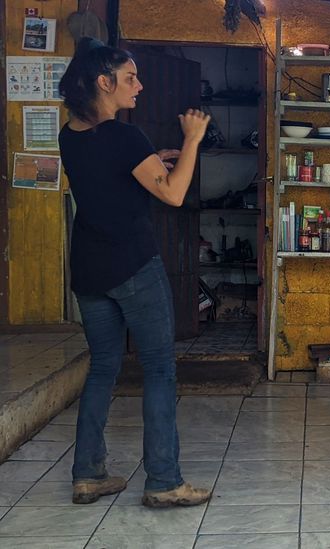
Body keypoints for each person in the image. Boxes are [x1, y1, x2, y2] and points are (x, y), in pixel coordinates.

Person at [58, 38, 212, 506]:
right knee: (160, 368)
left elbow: (116, 175)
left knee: (103, 367)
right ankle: (164, 481)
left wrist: (153, 161)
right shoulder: (126, 137)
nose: (139, 86)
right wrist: (191, 141)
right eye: (129, 78)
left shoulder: (71, 132)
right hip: (132, 266)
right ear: (104, 83)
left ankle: (88, 474)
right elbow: (172, 195)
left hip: (89, 268)